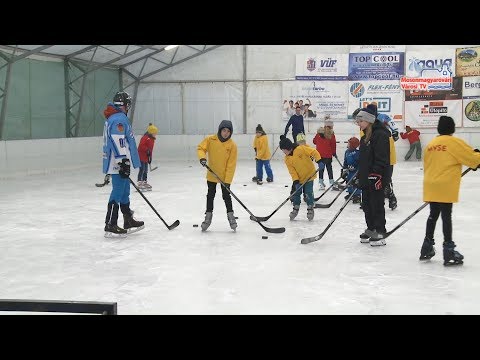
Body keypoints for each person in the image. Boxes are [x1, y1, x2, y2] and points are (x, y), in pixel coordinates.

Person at [420, 116, 480, 266]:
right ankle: (449, 251)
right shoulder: (454, 142)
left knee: (433, 215)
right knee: (446, 216)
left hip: (431, 183)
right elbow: (470, 157)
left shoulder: (431, 144)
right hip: (445, 184)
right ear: (452, 128)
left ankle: (426, 247)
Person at [102, 91, 144, 237]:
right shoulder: (119, 119)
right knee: (118, 191)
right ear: (125, 105)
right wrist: (123, 162)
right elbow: (117, 140)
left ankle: (128, 219)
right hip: (118, 162)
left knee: (125, 190)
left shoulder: (116, 117)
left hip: (120, 161)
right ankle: (110, 223)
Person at [354, 107, 391, 246]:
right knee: (367, 205)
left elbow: (381, 158)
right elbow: (364, 159)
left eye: (360, 121)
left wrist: (376, 174)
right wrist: (359, 175)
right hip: (366, 176)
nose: (358, 124)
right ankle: (371, 228)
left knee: (376, 204)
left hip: (377, 176)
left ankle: (380, 230)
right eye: (357, 121)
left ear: (369, 121)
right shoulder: (364, 137)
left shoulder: (380, 135)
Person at [197, 120, 238, 232]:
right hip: (212, 174)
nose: (226, 133)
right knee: (210, 195)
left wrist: (228, 181)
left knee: (226, 196)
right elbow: (201, 148)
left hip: (224, 177)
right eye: (224, 130)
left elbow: (231, 165)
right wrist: (202, 158)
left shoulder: (232, 145)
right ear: (220, 130)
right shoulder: (210, 140)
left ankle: (231, 217)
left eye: (228, 131)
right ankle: (208, 218)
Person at [279, 135, 321, 221]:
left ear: (288, 147)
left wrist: (319, 160)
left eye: (283, 150)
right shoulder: (287, 159)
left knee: (308, 192)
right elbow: (292, 171)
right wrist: (296, 181)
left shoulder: (301, 149)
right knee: (296, 194)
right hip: (299, 179)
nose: (283, 152)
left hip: (309, 176)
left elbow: (314, 152)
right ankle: (295, 208)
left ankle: (310, 208)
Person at [313, 125, 336, 190]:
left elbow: (314, 141)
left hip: (319, 155)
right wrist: (334, 153)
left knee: (321, 169)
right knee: (329, 168)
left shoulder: (318, 135)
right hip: (328, 155)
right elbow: (333, 145)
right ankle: (331, 182)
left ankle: (321, 183)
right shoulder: (331, 135)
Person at [137, 123, 158, 191]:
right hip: (141, 156)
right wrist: (147, 150)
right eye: (154, 132)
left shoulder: (152, 139)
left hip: (146, 157)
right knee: (142, 169)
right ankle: (140, 182)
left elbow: (150, 149)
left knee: (145, 170)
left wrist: (150, 157)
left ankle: (144, 182)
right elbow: (141, 146)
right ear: (151, 132)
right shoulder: (145, 138)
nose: (155, 134)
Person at [342, 136, 361, 204]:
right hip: (349, 171)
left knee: (355, 182)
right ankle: (350, 193)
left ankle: (357, 195)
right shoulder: (347, 152)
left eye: (349, 143)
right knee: (348, 182)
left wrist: (357, 168)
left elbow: (360, 162)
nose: (348, 144)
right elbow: (345, 161)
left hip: (356, 171)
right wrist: (344, 169)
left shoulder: (358, 152)